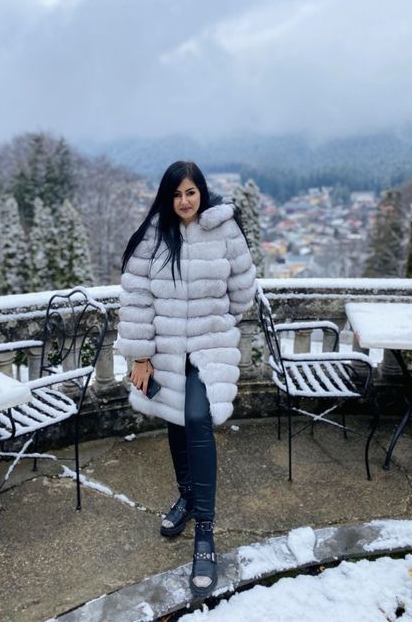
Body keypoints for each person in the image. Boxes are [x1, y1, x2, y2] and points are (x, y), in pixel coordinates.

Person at [117, 161, 256, 598]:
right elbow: (136, 296)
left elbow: (243, 290)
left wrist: (218, 321)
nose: (184, 201)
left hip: (208, 348)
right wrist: (141, 356)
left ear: (202, 192)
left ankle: (205, 533)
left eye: (190, 192)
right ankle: (188, 497)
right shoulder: (155, 235)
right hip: (165, 350)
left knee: (197, 419)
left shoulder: (225, 229)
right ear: (167, 196)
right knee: (176, 420)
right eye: (176, 194)